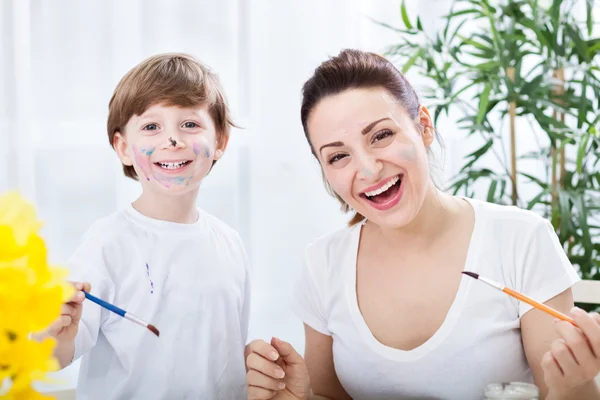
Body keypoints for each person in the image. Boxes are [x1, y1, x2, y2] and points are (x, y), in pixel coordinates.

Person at [244, 49, 600, 400]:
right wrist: (297, 398)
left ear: (424, 127)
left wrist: (578, 385)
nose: (368, 170)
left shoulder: (522, 239)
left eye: (381, 135)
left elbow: (563, 391)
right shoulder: (322, 263)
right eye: (338, 156)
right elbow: (329, 395)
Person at [33, 53, 251, 399]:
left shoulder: (229, 242)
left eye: (190, 124)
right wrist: (52, 331)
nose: (173, 140)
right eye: (152, 127)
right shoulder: (107, 242)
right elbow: (56, 356)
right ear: (123, 147)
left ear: (220, 141)